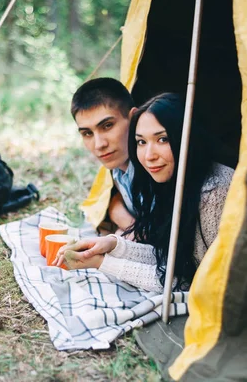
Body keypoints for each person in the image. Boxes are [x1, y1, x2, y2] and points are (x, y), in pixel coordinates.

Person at [56, 93, 234, 292]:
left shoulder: (213, 190)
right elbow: (167, 256)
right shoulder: (170, 179)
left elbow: (190, 281)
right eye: (141, 142)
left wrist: (101, 263)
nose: (149, 156)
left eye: (163, 139)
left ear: (188, 138)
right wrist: (113, 245)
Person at [71, 77, 138, 235]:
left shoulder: (155, 166)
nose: (99, 144)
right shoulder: (118, 168)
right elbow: (112, 199)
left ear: (134, 118)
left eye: (107, 126)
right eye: (88, 133)